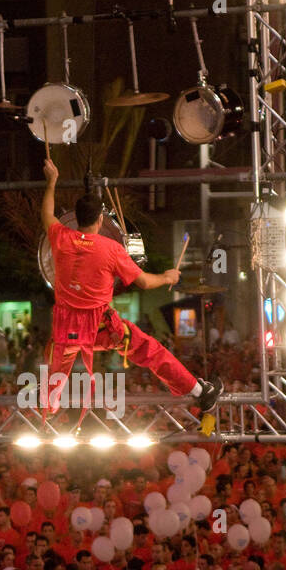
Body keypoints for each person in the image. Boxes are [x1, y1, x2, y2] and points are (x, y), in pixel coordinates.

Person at [40, 158, 222, 418]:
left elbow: (46, 214)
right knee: (151, 351)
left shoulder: (61, 237)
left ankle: (47, 410)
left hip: (65, 329)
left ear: (74, 219)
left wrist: (52, 181)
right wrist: (168, 277)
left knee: (56, 367)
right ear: (101, 220)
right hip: (101, 329)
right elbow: (146, 282)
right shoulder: (112, 250)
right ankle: (199, 392)